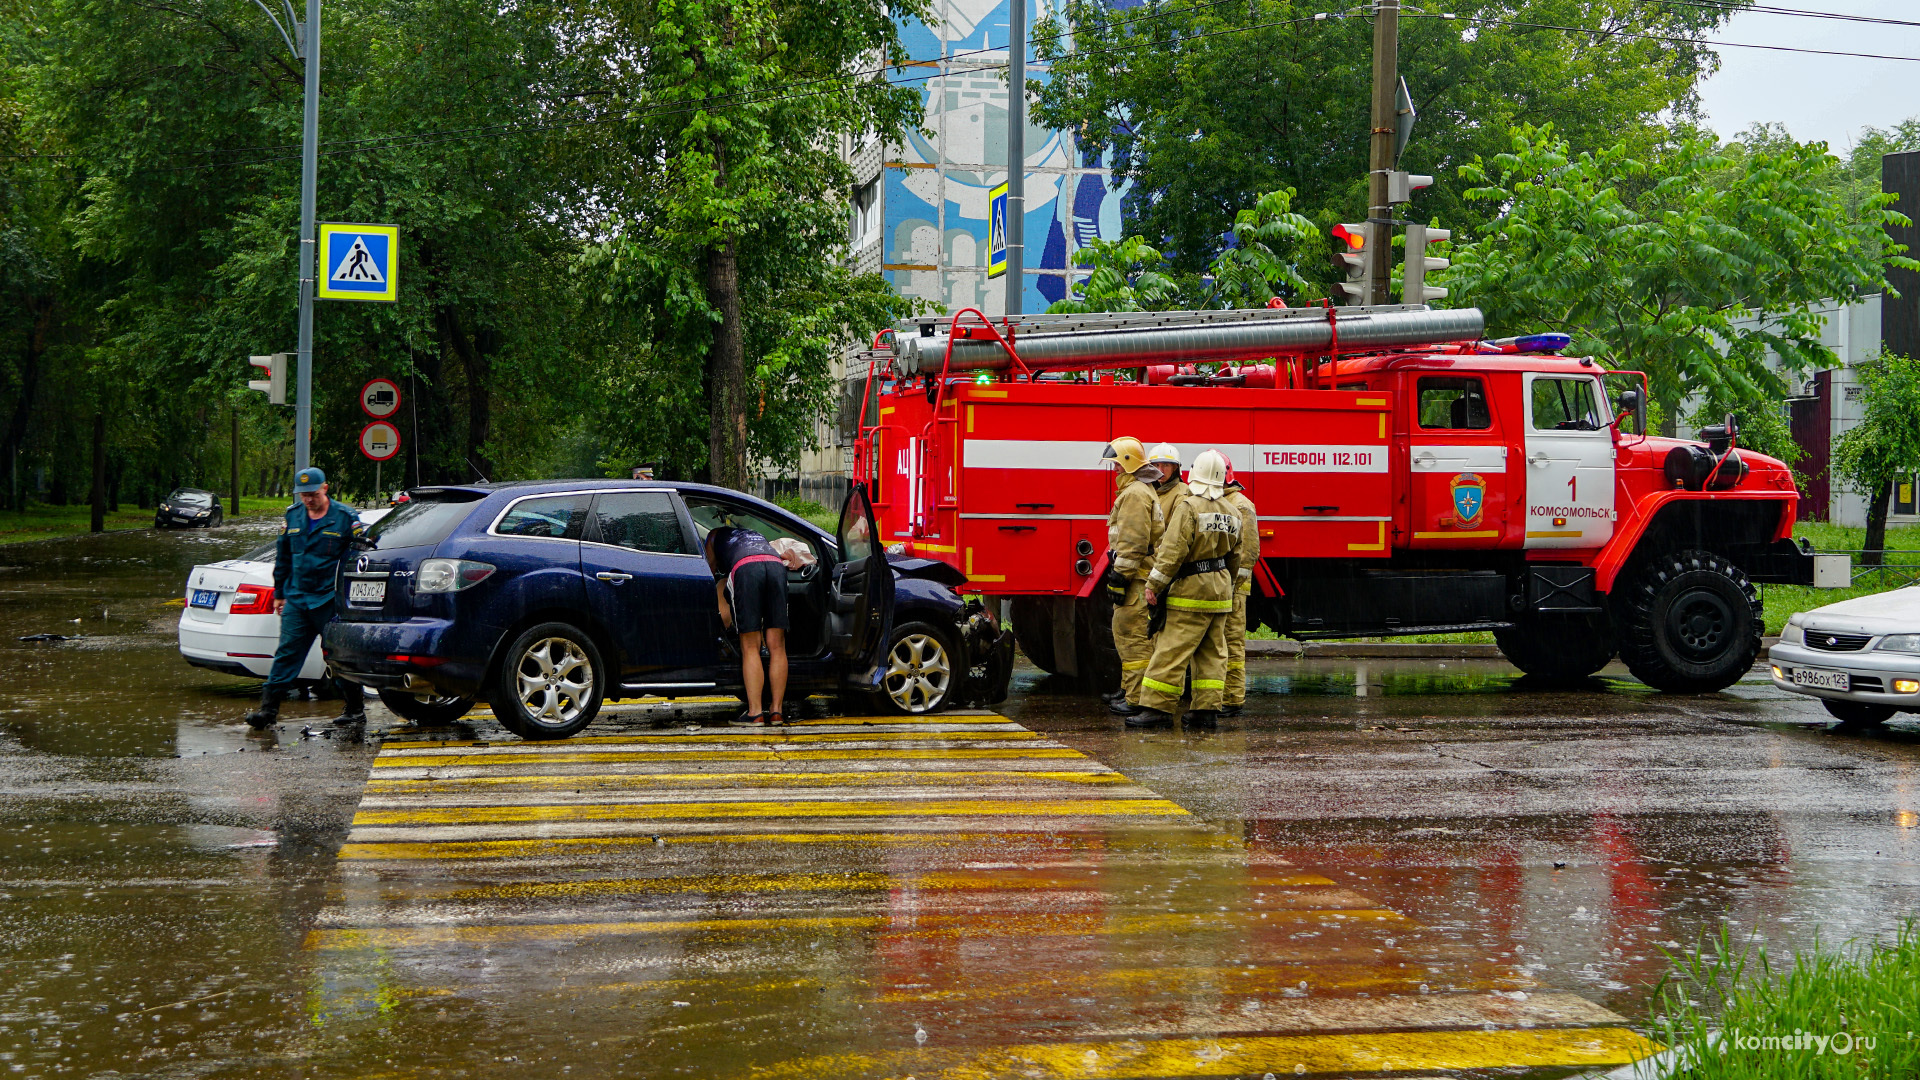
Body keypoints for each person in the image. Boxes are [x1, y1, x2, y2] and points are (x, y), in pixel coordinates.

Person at [243, 467, 367, 730]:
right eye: (303, 495)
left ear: (325, 488)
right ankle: (267, 712)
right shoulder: (293, 515)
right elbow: (284, 556)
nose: (308, 500)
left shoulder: (345, 517)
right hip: (297, 599)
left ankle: (355, 710)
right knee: (287, 654)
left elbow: (360, 552)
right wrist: (279, 593)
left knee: (338, 656)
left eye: (312, 494)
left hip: (329, 600)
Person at [1132, 449, 1241, 729]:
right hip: (1219, 594)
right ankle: (1206, 712)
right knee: (1212, 654)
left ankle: (1156, 709)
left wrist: (1154, 584)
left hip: (1190, 592)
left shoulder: (1189, 506)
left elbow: (1172, 551)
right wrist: (1226, 584)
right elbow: (1236, 557)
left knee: (1171, 650)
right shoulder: (1232, 510)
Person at [1101, 437, 1166, 718]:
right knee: (1128, 635)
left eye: (1117, 462)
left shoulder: (1135, 494)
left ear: (1128, 463)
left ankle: (1137, 697)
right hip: (1138, 577)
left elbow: (1134, 542)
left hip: (1137, 579)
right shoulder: (1137, 491)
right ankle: (1130, 689)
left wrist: (1119, 576)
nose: (1114, 467)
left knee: (1134, 637)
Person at [705, 524, 790, 726]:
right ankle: (776, 712)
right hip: (776, 565)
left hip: (746, 568)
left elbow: (708, 570)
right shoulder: (754, 535)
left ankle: (755, 713)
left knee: (750, 645)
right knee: (777, 645)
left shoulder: (713, 537)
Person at [1219, 456, 1260, 717]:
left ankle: (1233, 699)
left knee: (1232, 642)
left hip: (1233, 588)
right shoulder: (1219, 502)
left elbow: (1249, 552)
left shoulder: (1241, 505)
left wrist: (1234, 583)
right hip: (1218, 585)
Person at [1147, 443, 1189, 520]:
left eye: (1166, 465)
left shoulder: (1181, 495)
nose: (1160, 470)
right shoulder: (1149, 490)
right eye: (1156, 465)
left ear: (1175, 467)